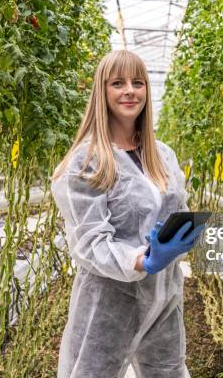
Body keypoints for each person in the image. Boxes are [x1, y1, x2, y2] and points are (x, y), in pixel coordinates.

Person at [51, 50, 204, 378]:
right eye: (117, 83)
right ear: (102, 92)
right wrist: (142, 260)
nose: (129, 91)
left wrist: (183, 236)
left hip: (164, 296)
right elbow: (89, 241)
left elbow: (175, 209)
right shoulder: (86, 162)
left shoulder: (162, 155)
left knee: (169, 372)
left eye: (138, 82)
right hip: (108, 301)